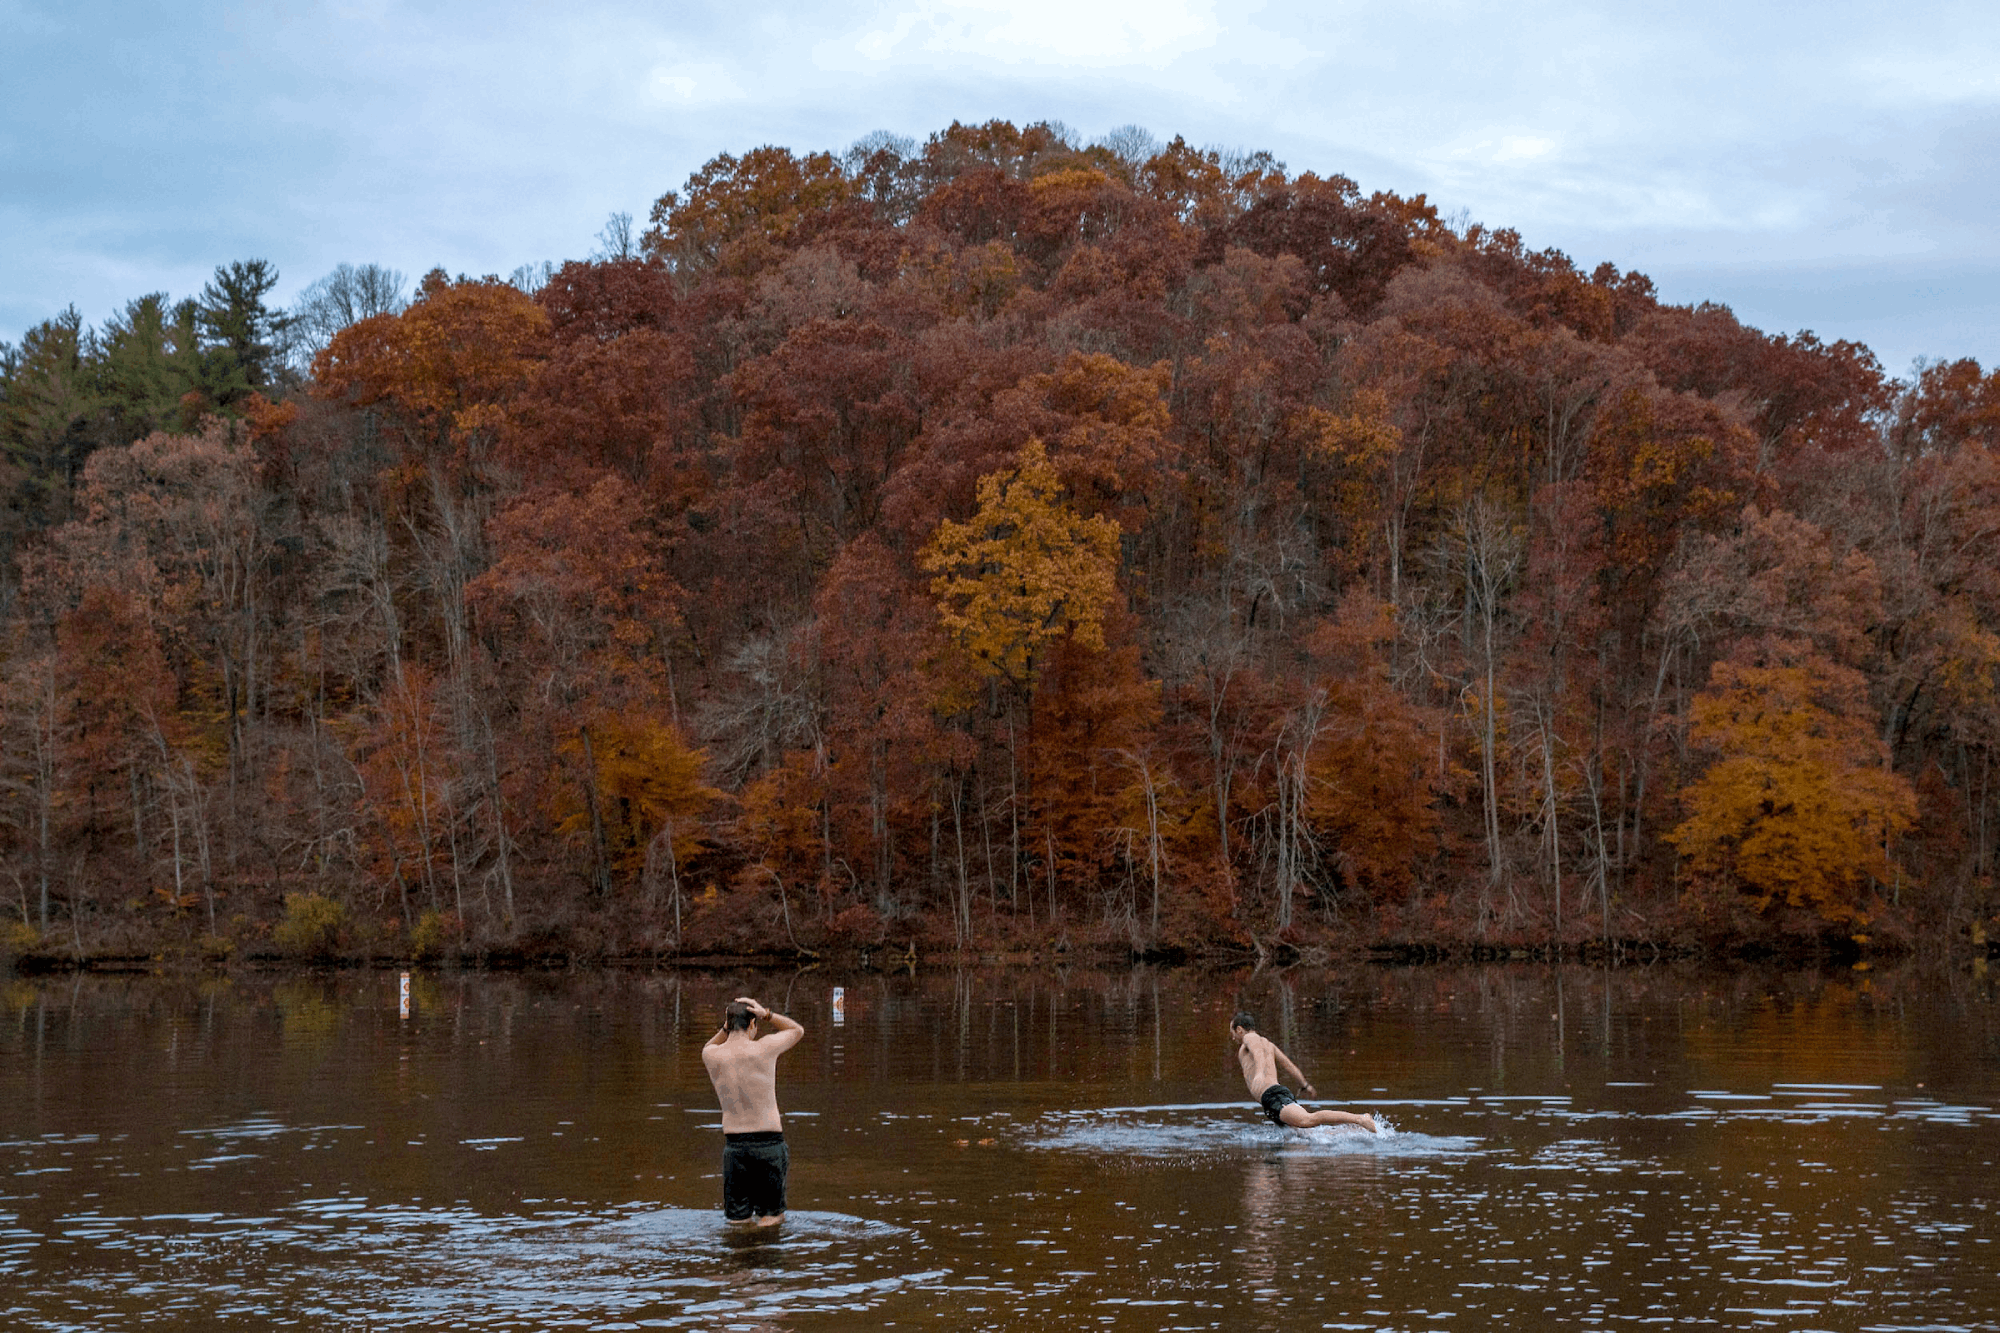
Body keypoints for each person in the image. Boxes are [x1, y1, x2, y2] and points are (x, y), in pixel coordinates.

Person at [702, 996, 805, 1225]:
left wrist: (727, 1026)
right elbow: (797, 1030)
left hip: (735, 1148)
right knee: (771, 1217)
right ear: (752, 1024)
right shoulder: (764, 1048)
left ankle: (740, 1257)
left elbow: (709, 1044)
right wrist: (766, 1013)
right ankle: (766, 1255)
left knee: (737, 1222)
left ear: (727, 1026)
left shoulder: (712, 1056)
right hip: (768, 1144)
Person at [1228, 1010, 1376, 1133]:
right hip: (1274, 1096)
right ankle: (1355, 1131)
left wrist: (1259, 1073)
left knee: (1308, 1120)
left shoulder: (1250, 1037)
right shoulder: (1269, 1044)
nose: (1233, 1037)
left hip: (1273, 1096)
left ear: (1239, 1029)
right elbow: (1289, 1066)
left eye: (1232, 1032)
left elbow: (1257, 1051)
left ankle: (1360, 1119)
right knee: (1305, 1135)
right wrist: (1305, 1085)